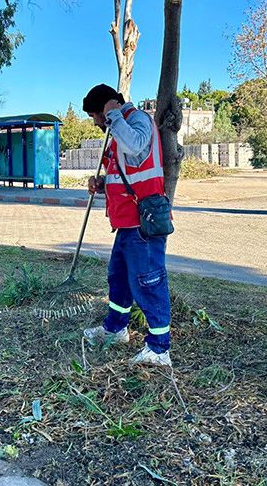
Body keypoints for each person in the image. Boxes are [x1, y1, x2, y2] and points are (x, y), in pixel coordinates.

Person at [81, 84, 173, 367]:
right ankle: (116, 328)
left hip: (143, 221)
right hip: (126, 223)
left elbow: (135, 145)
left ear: (106, 107)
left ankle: (159, 349)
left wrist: (114, 116)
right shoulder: (116, 130)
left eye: (96, 116)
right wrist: (101, 183)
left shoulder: (137, 121)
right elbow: (121, 171)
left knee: (148, 281)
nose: (97, 123)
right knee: (118, 277)